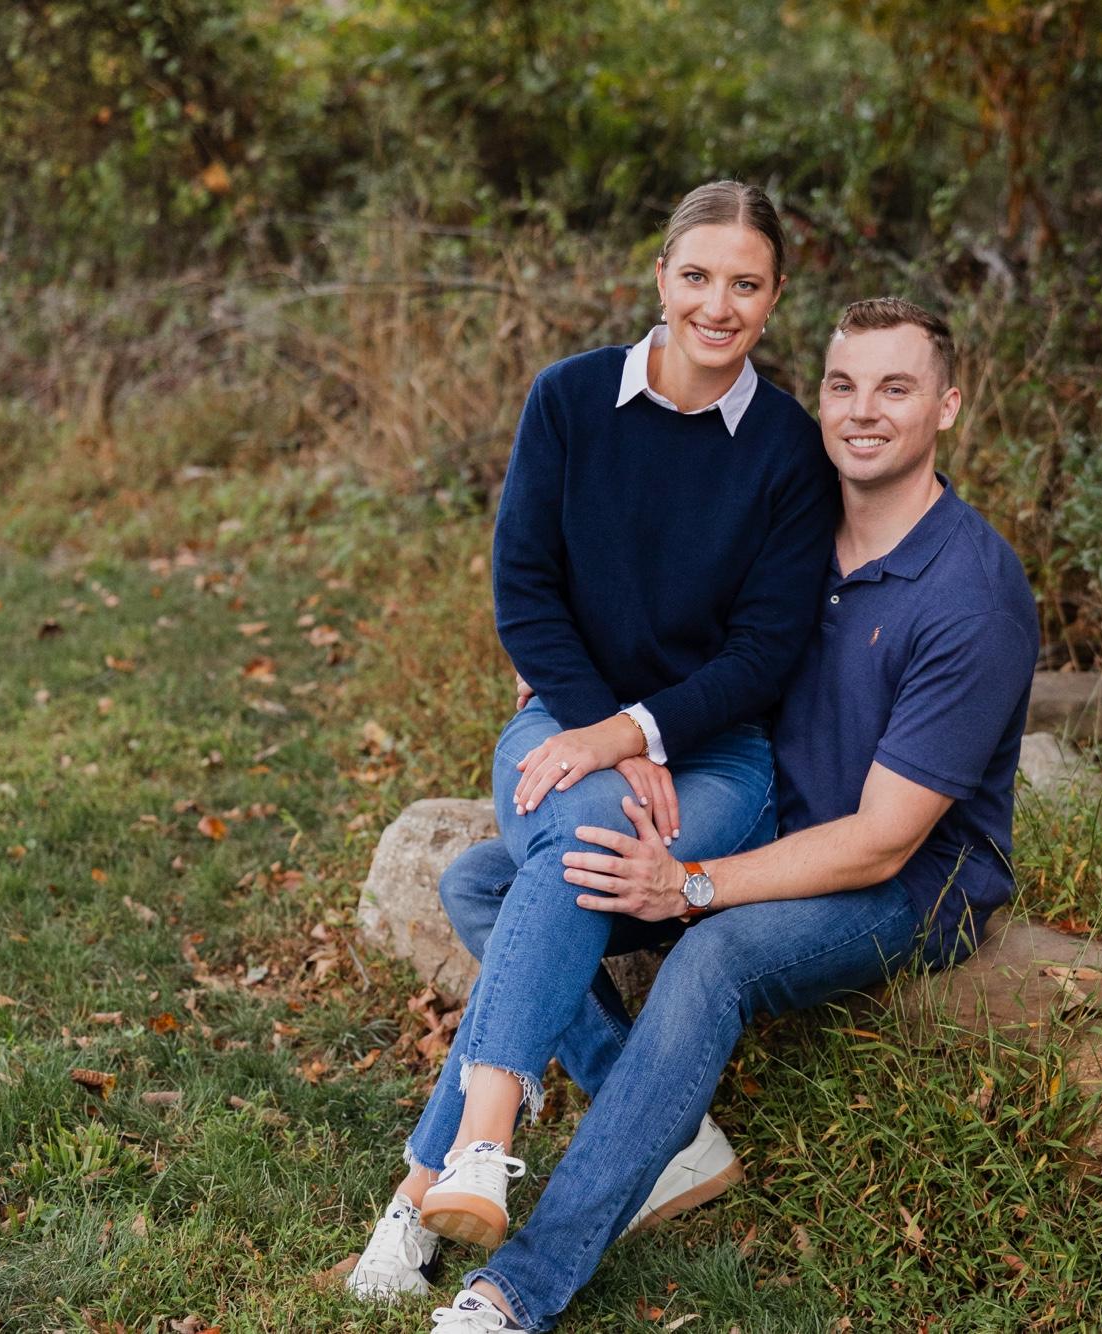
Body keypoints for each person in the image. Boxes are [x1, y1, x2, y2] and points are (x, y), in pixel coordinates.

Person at [423, 297, 1039, 1331]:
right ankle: (666, 1129)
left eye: (895, 388)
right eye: (842, 385)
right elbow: (674, 633)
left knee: (714, 957)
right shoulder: (799, 527)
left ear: (946, 407)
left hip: (914, 883)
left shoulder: (970, 595)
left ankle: (518, 1285)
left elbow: (883, 839)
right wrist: (589, 706)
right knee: (485, 879)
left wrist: (691, 887)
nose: (862, 411)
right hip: (771, 816)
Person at [347, 182, 837, 1306]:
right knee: (585, 827)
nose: (717, 304)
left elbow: (764, 652)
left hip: (716, 757)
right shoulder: (568, 398)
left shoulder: (786, 450)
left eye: (746, 283)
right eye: (697, 275)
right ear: (660, 276)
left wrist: (639, 734)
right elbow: (523, 588)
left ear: (773, 298)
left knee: (532, 864)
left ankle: (443, 1168)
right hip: (562, 722)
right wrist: (605, 735)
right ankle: (550, 1139)